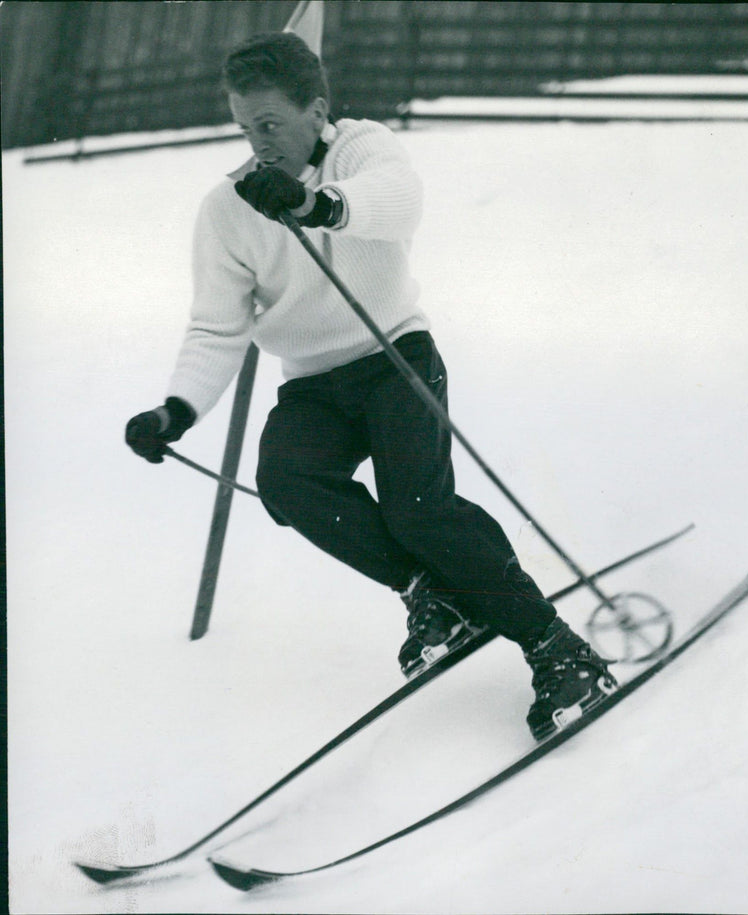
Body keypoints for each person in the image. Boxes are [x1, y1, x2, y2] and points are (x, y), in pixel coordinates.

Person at [124, 31, 616, 742]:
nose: (258, 144)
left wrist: (317, 205)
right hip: (317, 384)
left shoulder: (363, 149)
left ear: (316, 110)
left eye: (271, 125)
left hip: (395, 356)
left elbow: (395, 203)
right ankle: (430, 597)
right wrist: (174, 410)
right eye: (244, 128)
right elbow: (215, 327)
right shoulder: (228, 208)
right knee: (288, 480)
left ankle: (557, 647)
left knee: (419, 509)